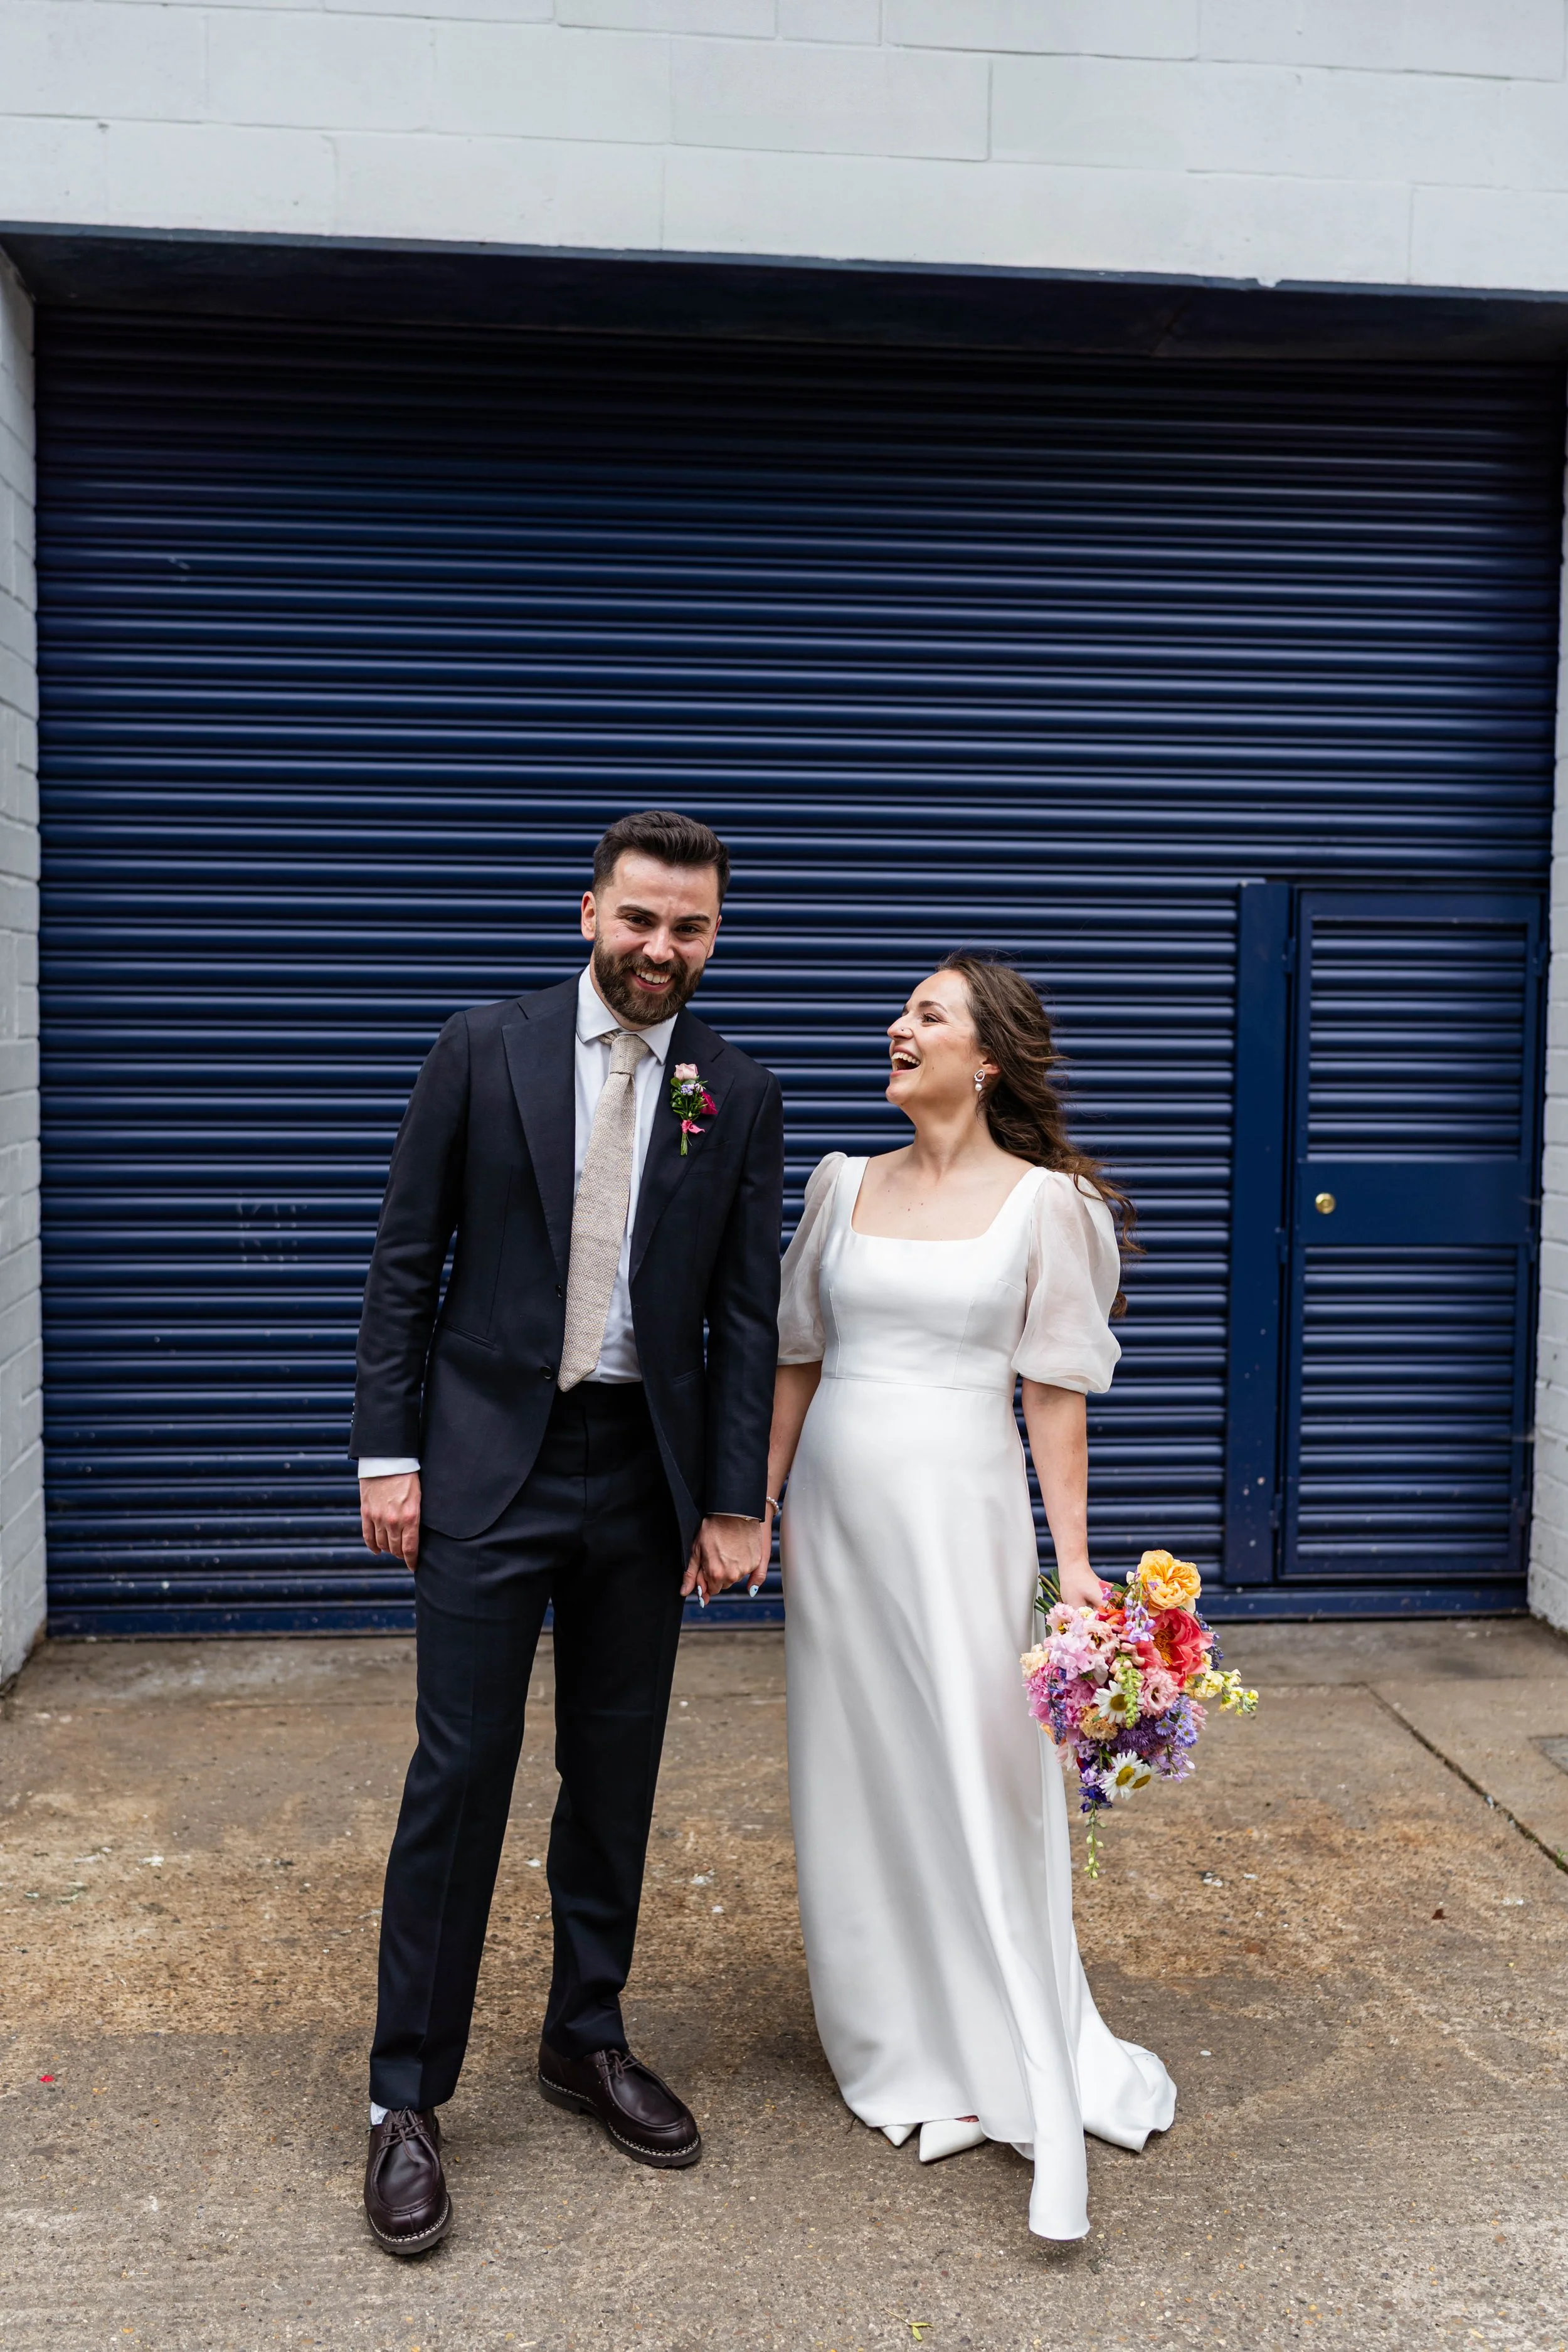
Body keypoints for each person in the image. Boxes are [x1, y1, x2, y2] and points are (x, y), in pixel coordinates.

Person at [352, 810, 783, 2255]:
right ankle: (404, 2098)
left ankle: (581, 2037)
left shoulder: (734, 1087)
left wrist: (732, 1499)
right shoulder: (484, 1047)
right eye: (643, 919)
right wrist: (388, 1455)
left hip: (639, 1480)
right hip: (486, 1467)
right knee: (459, 1773)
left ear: (714, 936)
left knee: (613, 1774)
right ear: (587, 912)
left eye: (693, 928)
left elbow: (740, 1314)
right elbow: (408, 1260)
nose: (664, 950)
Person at [764, 951, 1174, 2243]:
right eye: (900, 1009)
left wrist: (1077, 1571)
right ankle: (901, 2036)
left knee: (982, 1772)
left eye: (925, 1014)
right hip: (838, 1519)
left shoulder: (1046, 1207)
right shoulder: (840, 1186)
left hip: (964, 1514)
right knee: (863, 1766)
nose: (896, 1027)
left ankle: (1036, 2082)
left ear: (983, 1056)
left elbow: (1052, 1399)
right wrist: (756, 1511)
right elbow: (795, 1360)